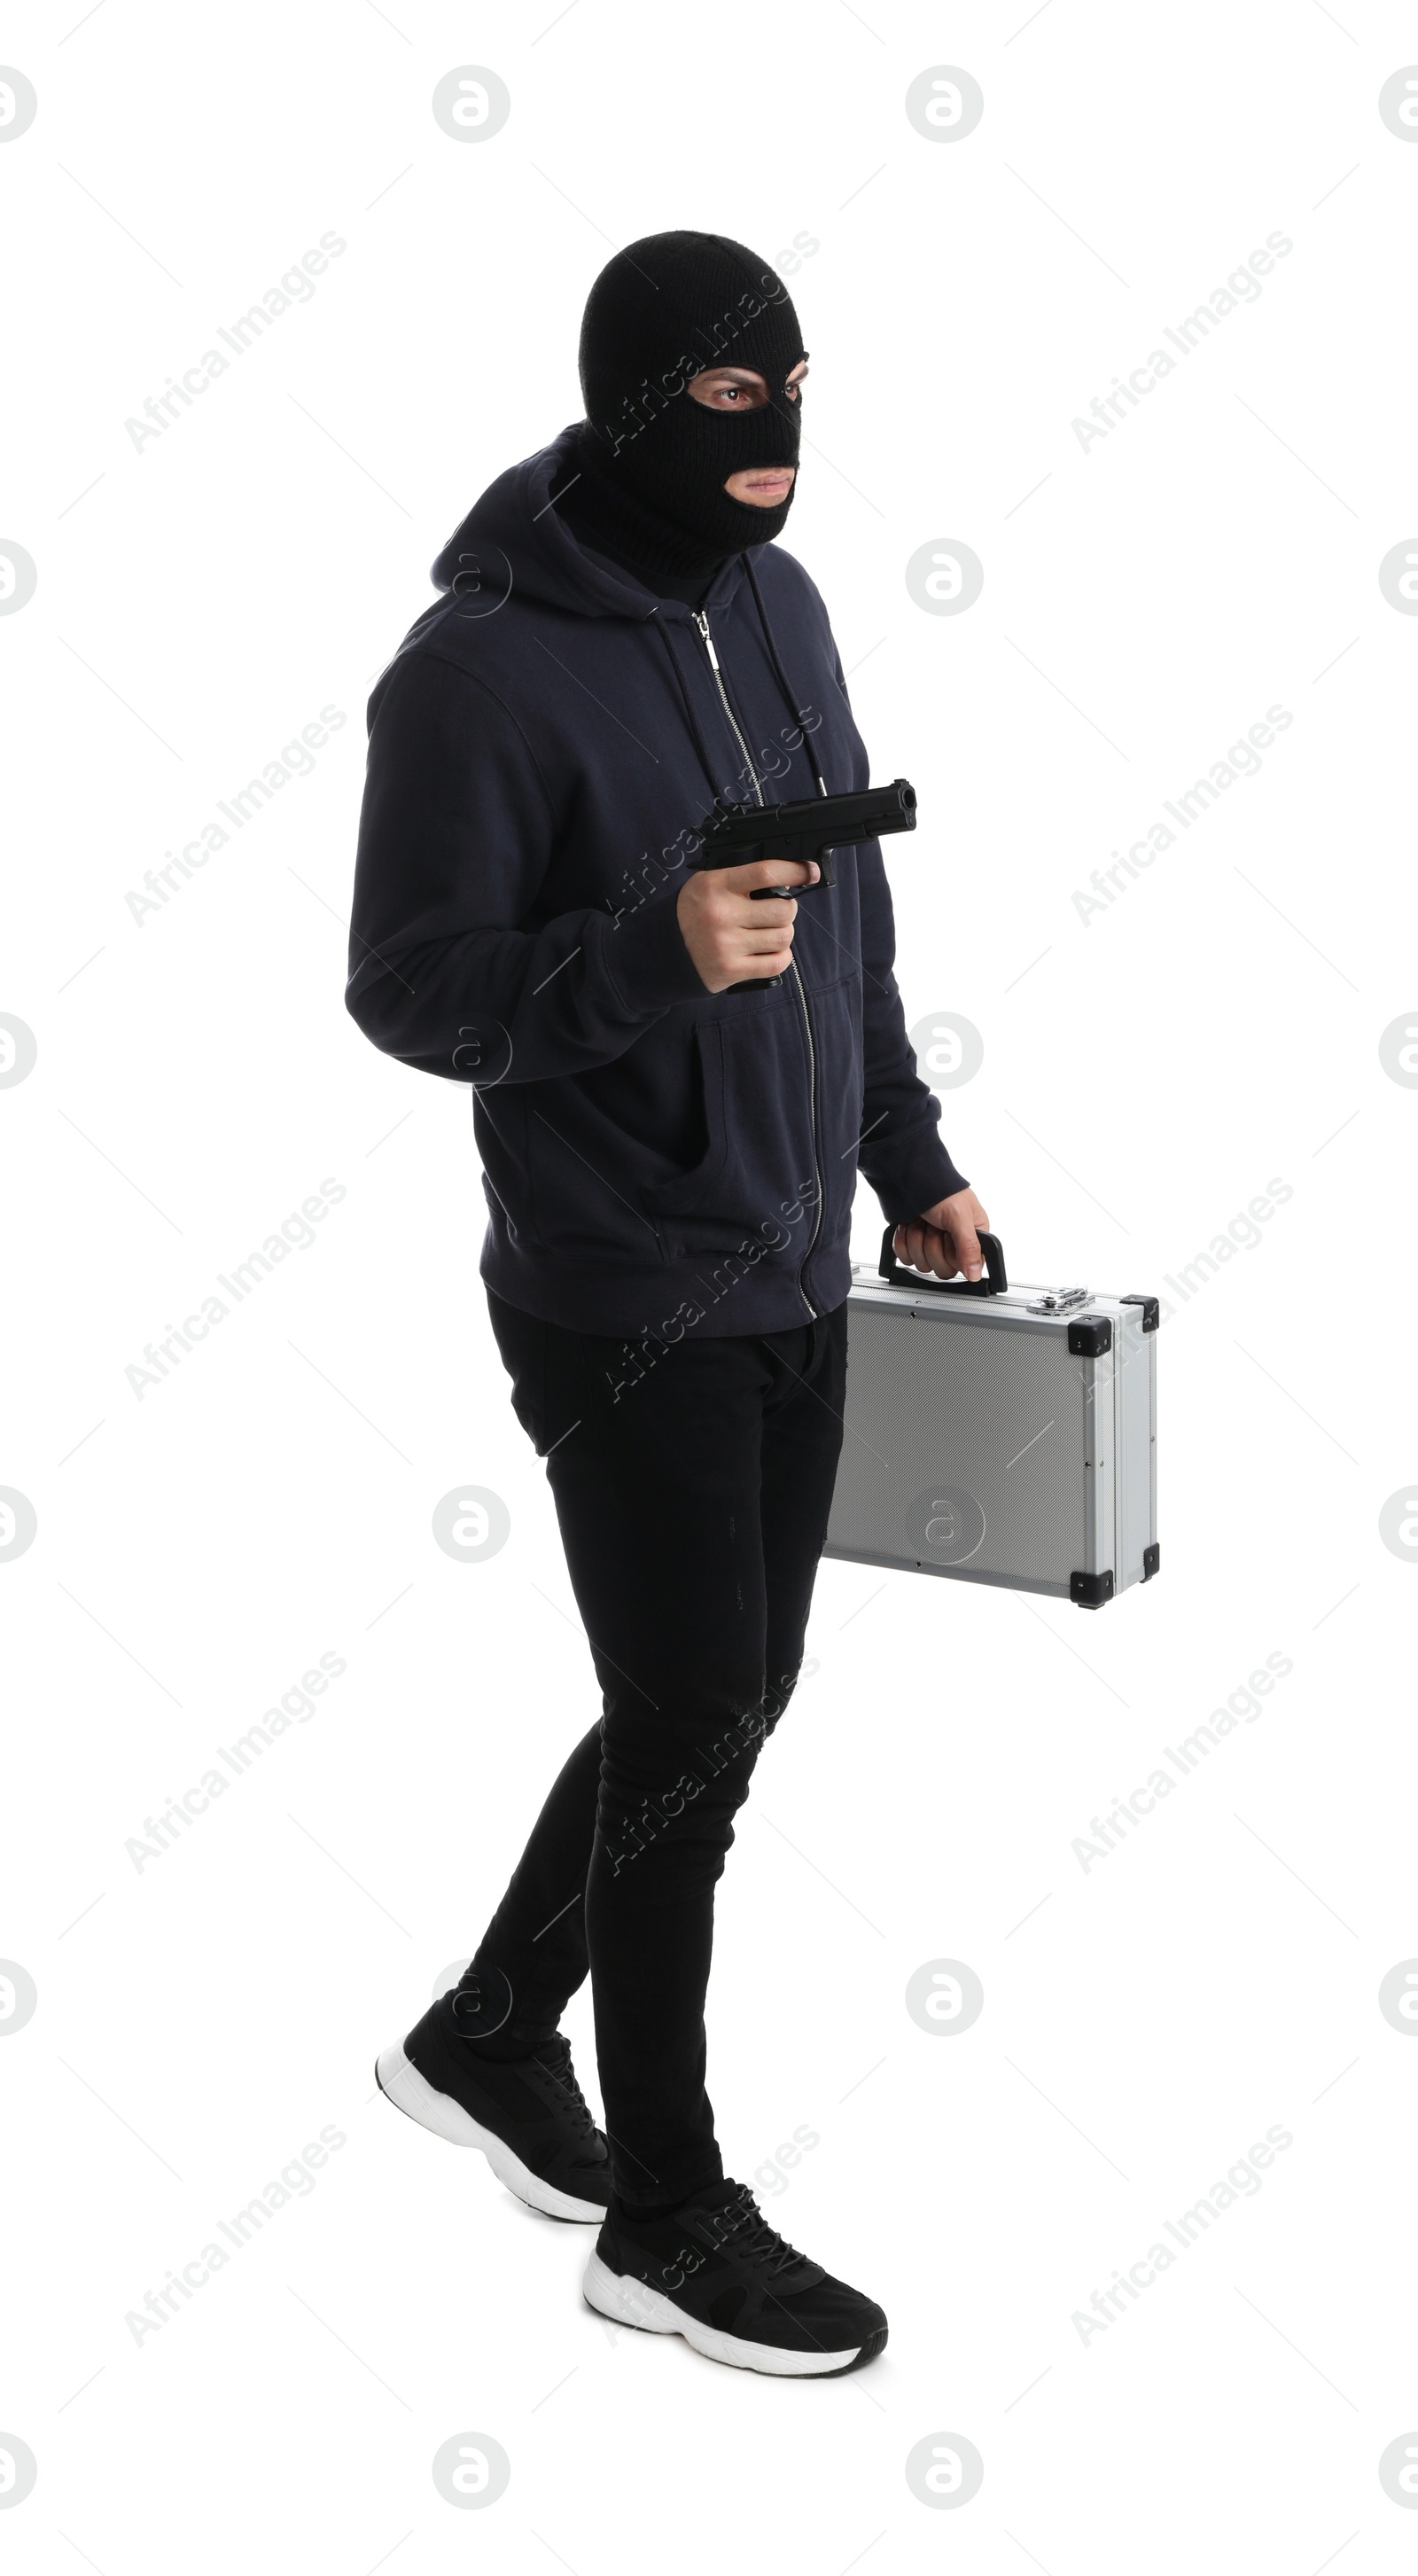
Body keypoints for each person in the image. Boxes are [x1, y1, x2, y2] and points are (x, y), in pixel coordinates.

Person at [347, 230, 989, 2378]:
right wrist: (648, 951)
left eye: (797, 384)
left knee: (708, 1703)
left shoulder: (778, 605)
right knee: (698, 1729)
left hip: (799, 1251)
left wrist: (909, 1160)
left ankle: (483, 2028)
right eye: (728, 399)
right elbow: (414, 995)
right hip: (617, 1288)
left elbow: (847, 920)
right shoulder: (472, 673)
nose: (776, 438)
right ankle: (666, 2208)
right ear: (634, 403)